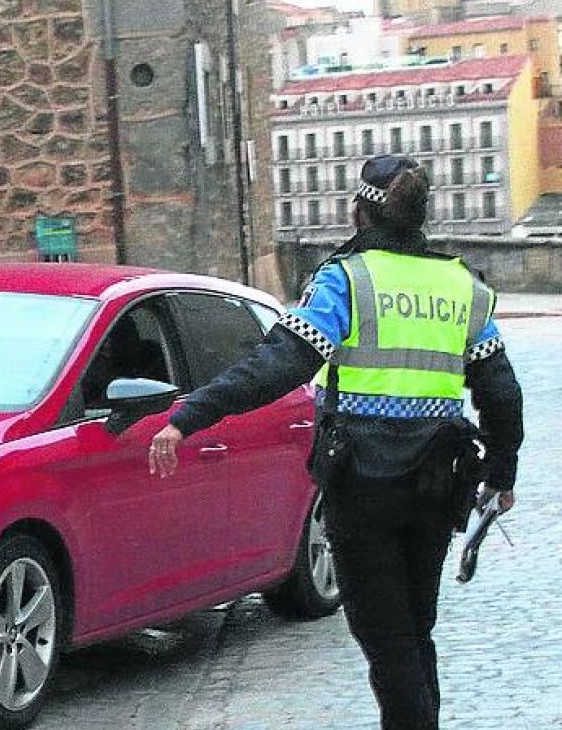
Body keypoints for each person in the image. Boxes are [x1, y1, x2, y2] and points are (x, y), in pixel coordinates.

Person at [148, 155, 523, 730]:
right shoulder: (462, 286)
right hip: (435, 482)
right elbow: (501, 392)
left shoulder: (347, 280)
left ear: (362, 210)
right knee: (415, 632)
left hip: (361, 485)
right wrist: (501, 474)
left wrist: (192, 413)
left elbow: (278, 364)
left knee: (386, 638)